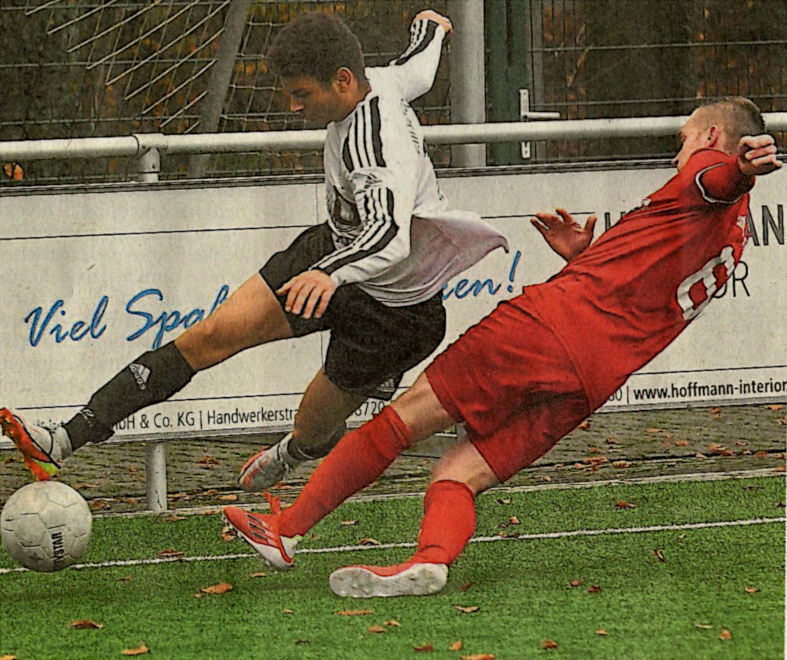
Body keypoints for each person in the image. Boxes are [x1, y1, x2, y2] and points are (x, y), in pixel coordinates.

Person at [222, 97, 782, 597]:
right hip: (591, 380)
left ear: (710, 138)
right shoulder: (731, 236)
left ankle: (286, 528)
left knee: (401, 420)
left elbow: (719, 178)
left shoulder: (710, 172)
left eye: (685, 138)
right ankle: (432, 560)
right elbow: (645, 284)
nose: (678, 151)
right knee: (460, 472)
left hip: (543, 330)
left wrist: (741, 166)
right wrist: (583, 256)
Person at [0, 10, 507, 491]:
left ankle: (292, 454)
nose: (293, 106)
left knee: (311, 428)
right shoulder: (378, 84)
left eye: (302, 94)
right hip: (335, 252)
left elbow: (389, 236)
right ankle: (64, 439)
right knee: (209, 336)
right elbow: (415, 68)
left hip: (395, 310)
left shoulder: (376, 148)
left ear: (343, 81)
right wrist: (431, 29)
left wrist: (328, 274)